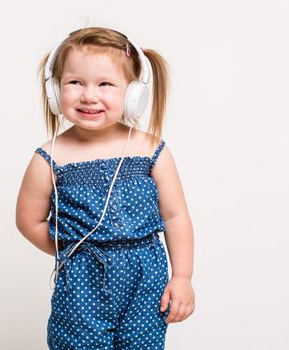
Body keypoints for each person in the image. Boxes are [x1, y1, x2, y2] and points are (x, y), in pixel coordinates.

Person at [16, 26, 195, 350]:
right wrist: (72, 250)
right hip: (81, 284)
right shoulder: (50, 157)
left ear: (132, 94)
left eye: (105, 84)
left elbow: (175, 216)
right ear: (56, 91)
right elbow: (29, 221)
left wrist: (182, 277)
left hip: (145, 282)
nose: (89, 95)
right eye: (75, 83)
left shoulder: (151, 151)